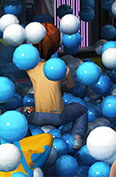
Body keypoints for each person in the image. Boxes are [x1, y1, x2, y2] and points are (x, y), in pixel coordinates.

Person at [21, 22, 88, 150]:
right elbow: (71, 84)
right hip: (60, 116)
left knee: (19, 112)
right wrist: (61, 90)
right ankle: (78, 139)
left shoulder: (31, 67)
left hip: (38, 116)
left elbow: (16, 59)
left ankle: (28, 138)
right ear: (57, 44)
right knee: (82, 109)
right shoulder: (62, 67)